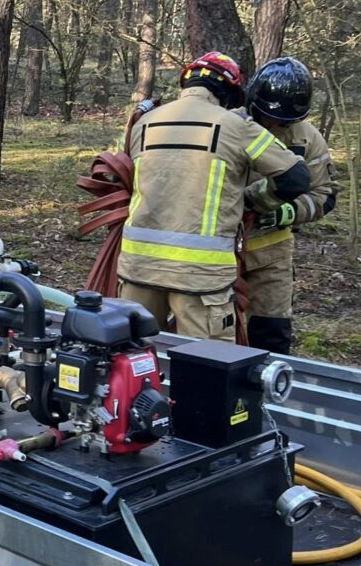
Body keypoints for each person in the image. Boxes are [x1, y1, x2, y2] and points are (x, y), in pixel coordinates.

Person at [116, 52, 312, 341]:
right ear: (230, 92)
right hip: (201, 279)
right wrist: (255, 200)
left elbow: (118, 175)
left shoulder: (144, 122)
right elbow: (296, 178)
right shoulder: (236, 126)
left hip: (137, 270)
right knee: (206, 369)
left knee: (132, 356)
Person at [238, 57, 339, 354]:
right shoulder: (229, 124)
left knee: (270, 335)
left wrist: (290, 212)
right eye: (267, 118)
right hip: (219, 250)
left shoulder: (307, 138)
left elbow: (326, 193)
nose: (273, 126)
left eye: (283, 122)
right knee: (215, 334)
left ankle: (267, 397)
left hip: (272, 256)